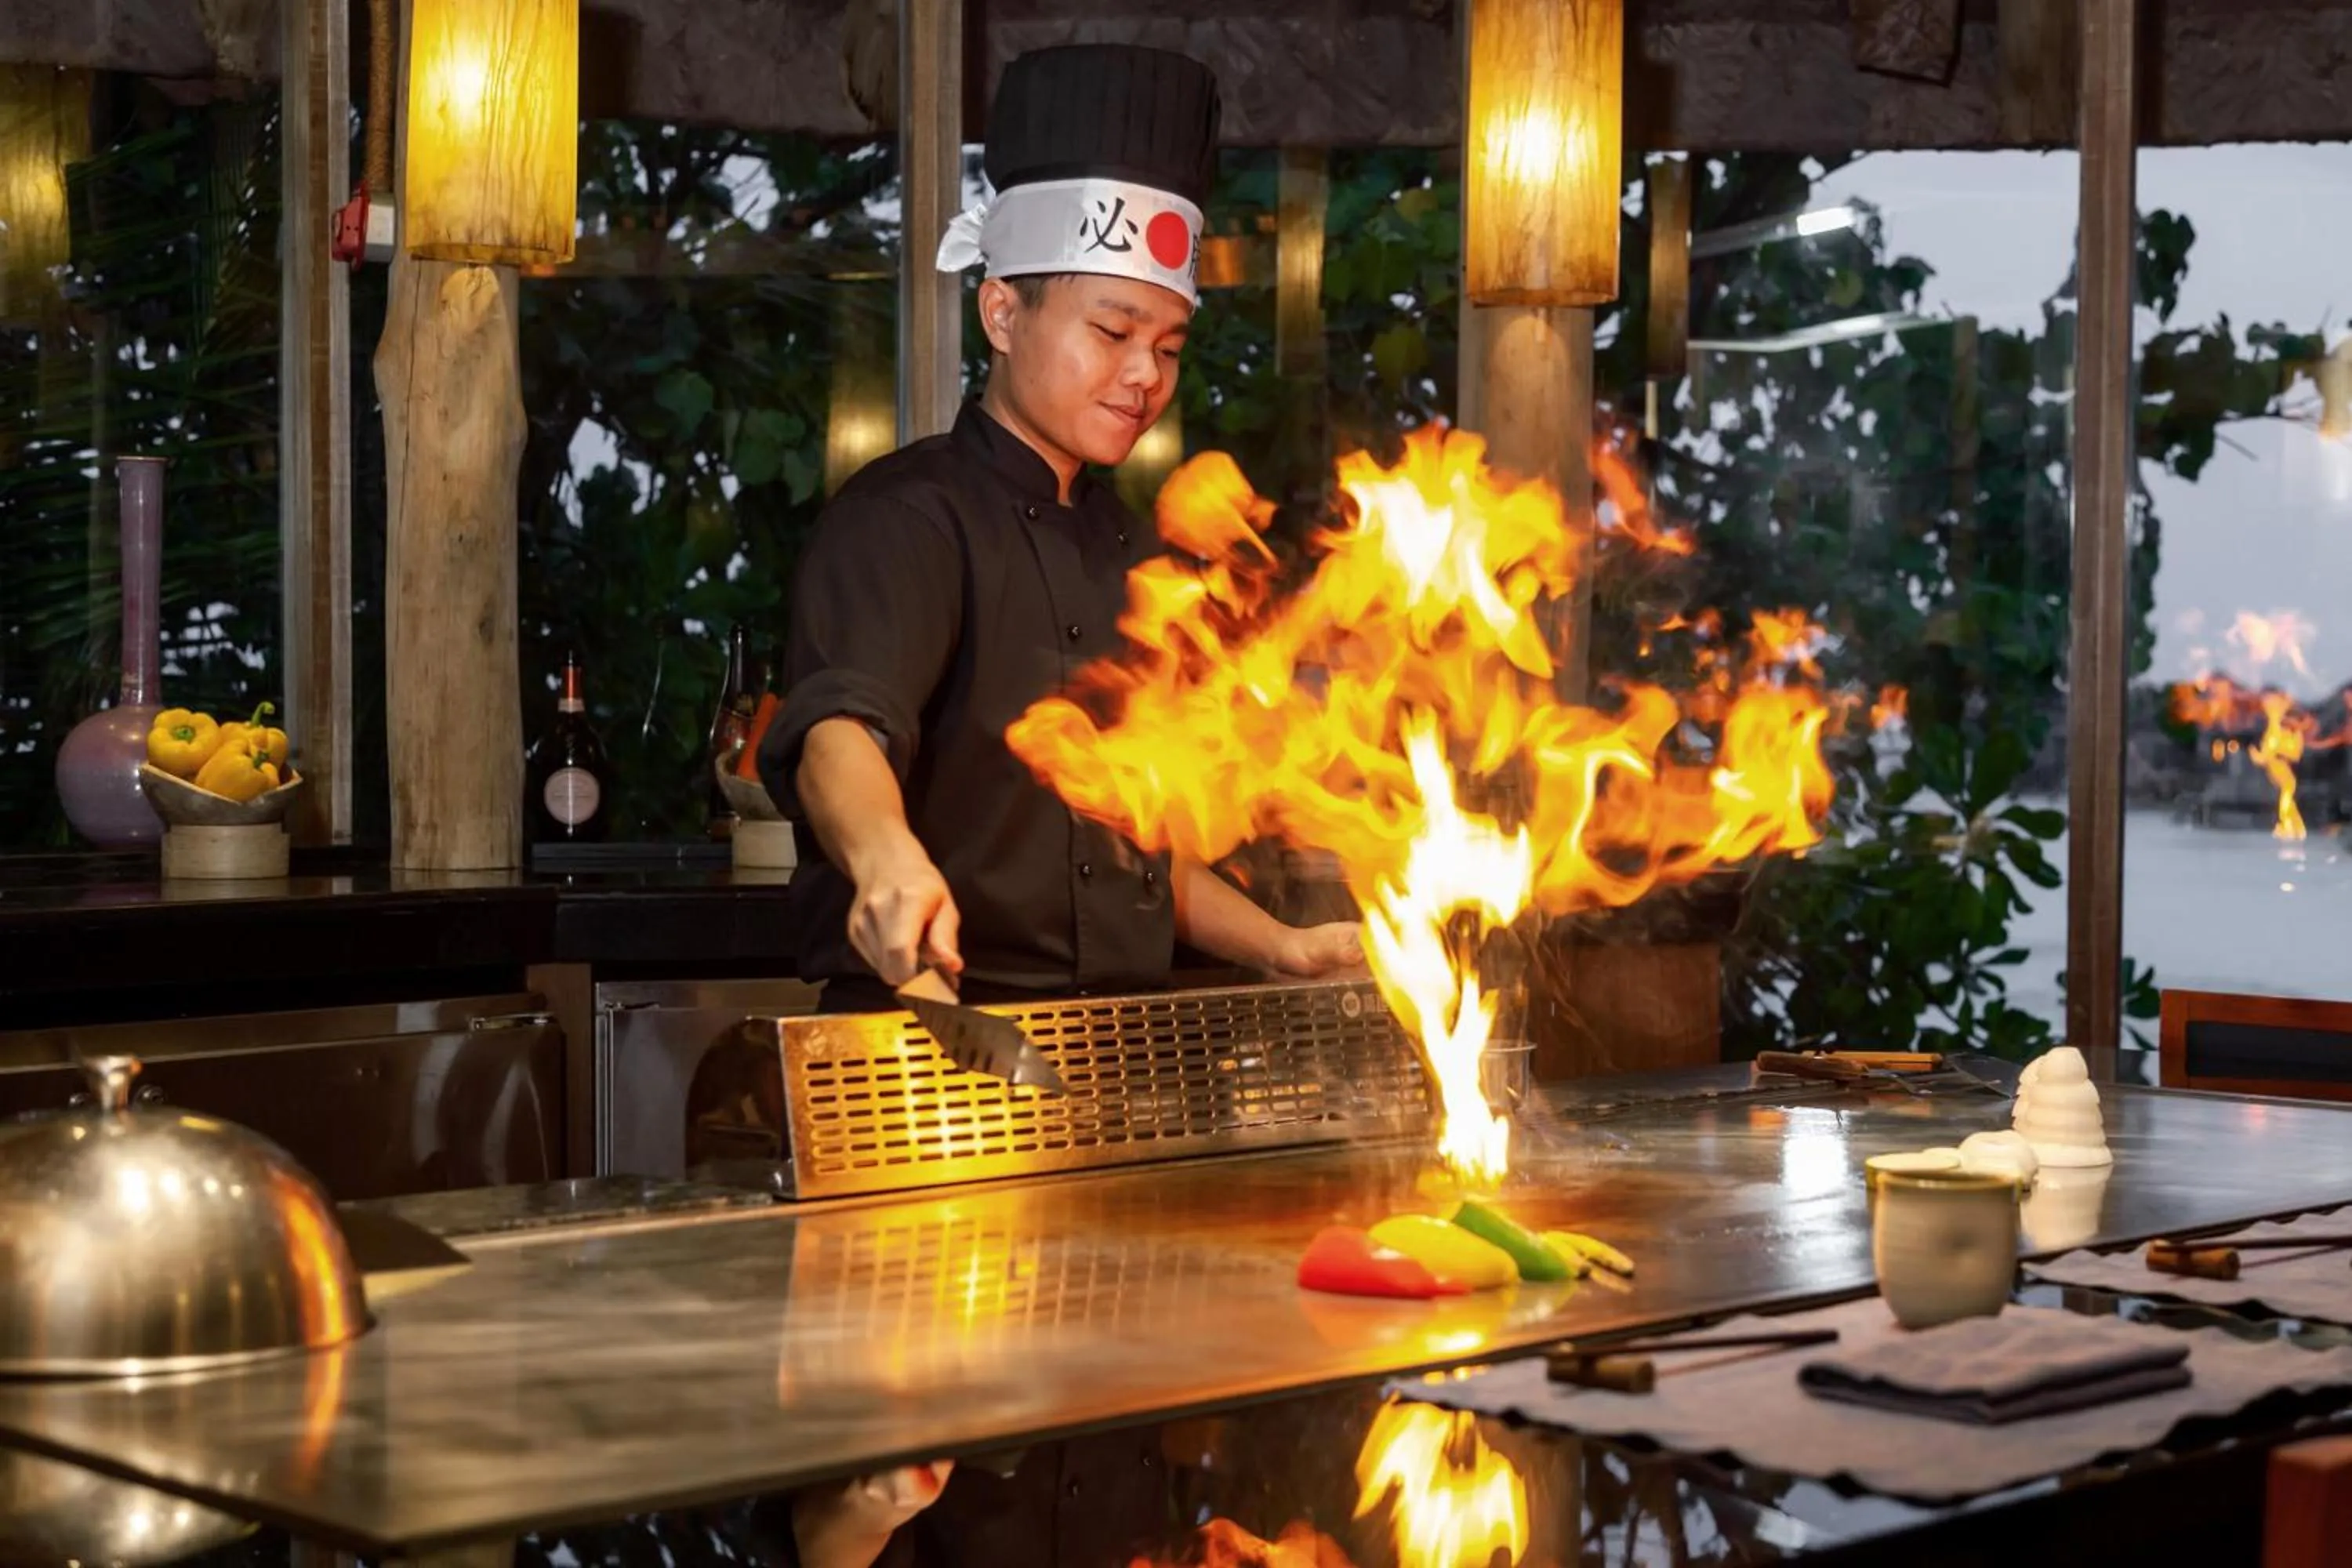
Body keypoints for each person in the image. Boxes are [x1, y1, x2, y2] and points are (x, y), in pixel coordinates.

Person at [760, 42, 1362, 1018]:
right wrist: (887, 857)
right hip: (927, 1039)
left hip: (1114, 1045)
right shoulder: (906, 518)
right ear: (1002, 314)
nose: (1146, 375)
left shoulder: (1141, 562)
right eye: (1113, 333)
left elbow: (1139, 853)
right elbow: (839, 728)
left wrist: (1284, 947)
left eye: (1168, 346)